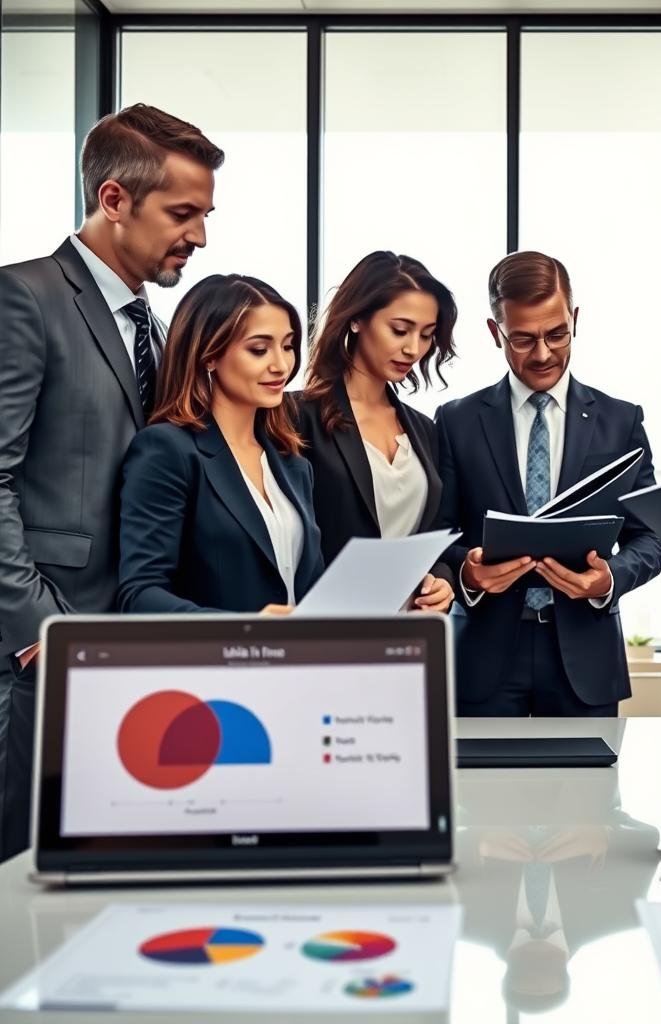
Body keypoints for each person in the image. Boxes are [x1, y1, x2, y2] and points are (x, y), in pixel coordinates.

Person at [0, 104, 222, 860]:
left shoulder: (154, 327)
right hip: (43, 654)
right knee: (25, 882)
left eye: (205, 215)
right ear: (115, 199)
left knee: (109, 880)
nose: (200, 236)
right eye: (183, 214)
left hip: (131, 657)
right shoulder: (25, 298)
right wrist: (39, 634)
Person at [436, 251, 661, 716]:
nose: (542, 354)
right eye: (523, 339)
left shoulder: (621, 421)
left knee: (588, 770)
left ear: (575, 319)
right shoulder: (455, 421)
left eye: (557, 334)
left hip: (586, 658)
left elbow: (651, 537)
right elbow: (436, 534)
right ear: (495, 332)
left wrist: (608, 579)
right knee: (478, 771)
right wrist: (466, 574)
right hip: (481, 659)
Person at [118, 274, 323, 613]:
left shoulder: (293, 464)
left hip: (297, 649)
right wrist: (244, 629)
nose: (281, 365)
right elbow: (140, 594)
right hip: (221, 648)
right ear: (209, 355)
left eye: (287, 346)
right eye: (259, 349)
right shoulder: (167, 450)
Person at [297, 251, 457, 613]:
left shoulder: (424, 430)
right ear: (356, 319)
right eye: (399, 330)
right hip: (328, 626)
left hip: (410, 630)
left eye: (426, 335)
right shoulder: (297, 417)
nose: (413, 349)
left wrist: (441, 581)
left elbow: (432, 540)